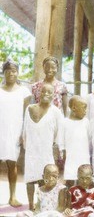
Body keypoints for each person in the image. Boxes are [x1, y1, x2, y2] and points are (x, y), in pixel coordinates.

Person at [23, 84, 63, 210]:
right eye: (43, 91)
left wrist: (56, 151)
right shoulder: (29, 108)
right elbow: (25, 131)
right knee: (30, 179)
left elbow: (59, 133)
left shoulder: (56, 111)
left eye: (49, 92)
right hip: (31, 150)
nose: (46, 94)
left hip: (46, 151)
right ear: (38, 93)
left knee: (44, 179)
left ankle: (42, 205)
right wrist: (26, 146)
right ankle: (30, 206)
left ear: (54, 95)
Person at [0, 59, 31, 207]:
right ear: (3, 73)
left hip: (15, 132)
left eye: (14, 70)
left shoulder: (24, 92)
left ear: (17, 73)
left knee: (12, 165)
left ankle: (12, 197)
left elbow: (26, 115)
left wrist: (23, 134)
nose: (11, 73)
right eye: (8, 70)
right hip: (0, 131)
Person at [57, 95, 90, 188]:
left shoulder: (86, 122)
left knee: (83, 180)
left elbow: (89, 139)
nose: (85, 111)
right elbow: (61, 142)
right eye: (83, 108)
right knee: (70, 180)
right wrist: (63, 155)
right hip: (70, 157)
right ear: (74, 108)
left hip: (84, 156)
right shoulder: (64, 122)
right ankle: (69, 201)